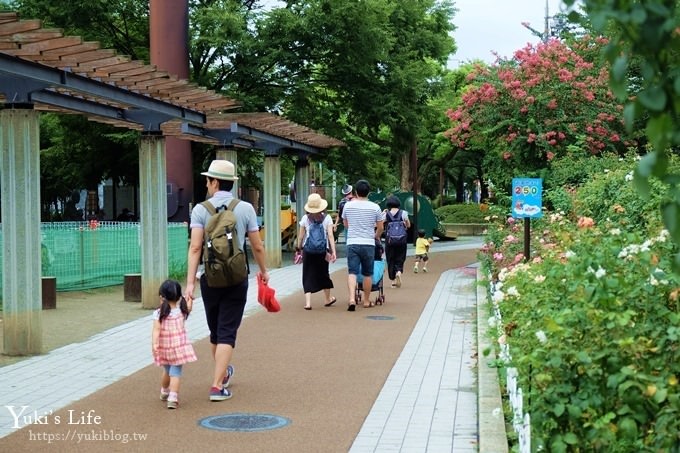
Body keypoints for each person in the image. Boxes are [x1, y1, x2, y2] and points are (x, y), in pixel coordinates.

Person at [185, 160, 269, 402]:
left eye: (208, 180)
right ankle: (216, 386)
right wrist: (263, 271)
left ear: (213, 182)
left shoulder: (200, 210)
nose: (207, 184)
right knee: (227, 332)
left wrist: (190, 284)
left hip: (209, 278)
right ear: (231, 184)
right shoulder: (245, 208)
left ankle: (221, 376)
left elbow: (195, 247)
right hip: (236, 276)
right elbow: (257, 246)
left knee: (216, 332)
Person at [152, 279, 197, 409]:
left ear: (161, 297)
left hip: (164, 347)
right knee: (175, 373)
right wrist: (189, 299)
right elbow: (189, 307)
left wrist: (154, 344)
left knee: (167, 371)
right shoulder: (181, 311)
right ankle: (173, 396)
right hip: (178, 348)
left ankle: (164, 390)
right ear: (178, 297)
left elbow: (156, 330)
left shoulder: (159, 313)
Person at [342, 179, 384, 311]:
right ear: (369, 192)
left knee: (352, 272)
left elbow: (346, 224)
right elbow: (381, 227)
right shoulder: (375, 207)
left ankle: (351, 299)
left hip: (353, 242)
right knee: (367, 273)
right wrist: (375, 236)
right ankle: (366, 301)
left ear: (355, 192)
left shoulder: (348, 206)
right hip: (368, 243)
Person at [297, 193, 337, 310]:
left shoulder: (305, 219)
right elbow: (330, 236)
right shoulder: (327, 218)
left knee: (307, 274)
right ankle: (327, 299)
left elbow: (300, 236)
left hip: (308, 251)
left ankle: (308, 303)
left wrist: (299, 248)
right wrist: (333, 251)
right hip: (322, 251)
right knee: (324, 273)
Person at [383, 195, 411, 288]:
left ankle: (393, 279)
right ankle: (399, 271)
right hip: (402, 239)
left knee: (390, 258)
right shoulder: (404, 213)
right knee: (400, 256)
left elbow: (377, 224)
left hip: (390, 240)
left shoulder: (386, 214)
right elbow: (408, 225)